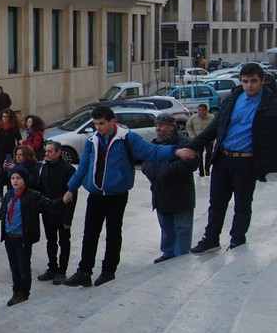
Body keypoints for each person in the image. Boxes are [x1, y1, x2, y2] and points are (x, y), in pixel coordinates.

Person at [62, 106, 195, 287]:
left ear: (111, 122)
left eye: (101, 123)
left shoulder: (127, 138)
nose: (98, 127)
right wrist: (71, 188)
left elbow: (152, 151)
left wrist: (175, 152)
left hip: (116, 194)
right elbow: (83, 166)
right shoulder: (92, 140)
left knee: (113, 233)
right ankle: (84, 271)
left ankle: (108, 270)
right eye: (95, 124)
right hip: (95, 194)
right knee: (89, 234)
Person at [188, 63, 277, 253]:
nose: (249, 85)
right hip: (223, 158)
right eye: (245, 81)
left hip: (247, 161)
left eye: (253, 81)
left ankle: (237, 239)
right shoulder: (233, 98)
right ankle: (211, 239)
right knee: (216, 203)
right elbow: (215, 128)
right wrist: (191, 147)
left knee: (242, 204)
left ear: (262, 80)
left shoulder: (271, 103)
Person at [0, 166, 66, 306]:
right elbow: (2, 211)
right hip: (9, 236)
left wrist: (63, 200)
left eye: (18, 178)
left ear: (25, 180)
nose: (15, 181)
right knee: (14, 266)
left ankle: (24, 292)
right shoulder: (9, 194)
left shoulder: (33, 196)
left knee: (24, 267)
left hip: (22, 238)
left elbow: (50, 204)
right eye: (13, 178)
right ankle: (16, 290)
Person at [141, 114, 199, 263]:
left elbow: (191, 163)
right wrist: (155, 174)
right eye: (157, 125)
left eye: (162, 125)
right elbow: (146, 164)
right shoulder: (154, 144)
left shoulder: (185, 143)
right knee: (166, 227)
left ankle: (181, 256)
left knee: (182, 227)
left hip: (180, 194)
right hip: (161, 193)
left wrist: (165, 170)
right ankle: (168, 253)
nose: (158, 128)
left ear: (172, 127)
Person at [34, 141, 77, 285]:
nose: (46, 154)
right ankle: (52, 267)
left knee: (64, 242)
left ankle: (62, 271)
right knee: (50, 241)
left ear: (58, 152)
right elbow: (41, 187)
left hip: (62, 212)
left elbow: (72, 196)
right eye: (46, 151)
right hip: (48, 211)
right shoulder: (44, 167)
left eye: (50, 151)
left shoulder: (69, 170)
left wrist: (68, 219)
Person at [0, 108, 22, 198]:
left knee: (9, 173)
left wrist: (21, 144)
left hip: (9, 154)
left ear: (10, 117)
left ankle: (9, 193)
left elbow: (19, 138)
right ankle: (0, 193)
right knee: (1, 173)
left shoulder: (14, 127)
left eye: (7, 116)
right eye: (3, 116)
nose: (5, 118)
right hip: (0, 154)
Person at [185, 103, 215, 177]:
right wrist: (193, 136)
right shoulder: (193, 118)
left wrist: (213, 136)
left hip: (209, 139)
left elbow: (216, 127)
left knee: (209, 154)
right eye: (199, 110)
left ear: (207, 110)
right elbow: (188, 126)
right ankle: (201, 171)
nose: (201, 112)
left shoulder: (212, 118)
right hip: (198, 139)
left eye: (203, 110)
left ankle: (207, 168)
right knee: (199, 156)